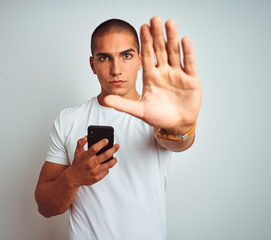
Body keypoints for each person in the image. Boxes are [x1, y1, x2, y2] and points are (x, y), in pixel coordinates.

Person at [35, 16, 202, 239]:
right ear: (93, 65)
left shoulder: (157, 118)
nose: (116, 69)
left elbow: (177, 141)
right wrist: (73, 177)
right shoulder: (68, 119)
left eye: (126, 55)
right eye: (105, 58)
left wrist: (182, 127)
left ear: (141, 60)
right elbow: (45, 207)